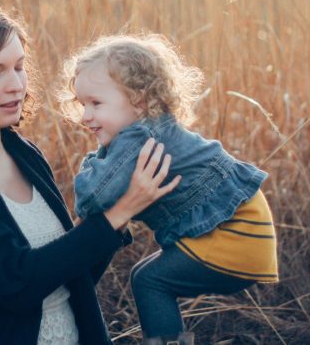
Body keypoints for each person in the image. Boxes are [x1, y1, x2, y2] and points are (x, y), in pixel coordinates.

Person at [0, 3, 180, 345]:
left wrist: (121, 206)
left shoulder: (24, 153)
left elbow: (70, 277)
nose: (15, 84)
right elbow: (13, 284)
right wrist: (119, 212)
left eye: (19, 67)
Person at [61, 34, 279, 345]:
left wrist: (93, 163)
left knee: (151, 282)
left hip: (235, 234)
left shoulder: (137, 138)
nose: (85, 116)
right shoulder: (152, 130)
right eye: (82, 104)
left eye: (96, 103)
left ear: (138, 99)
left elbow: (93, 197)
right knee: (143, 276)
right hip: (246, 228)